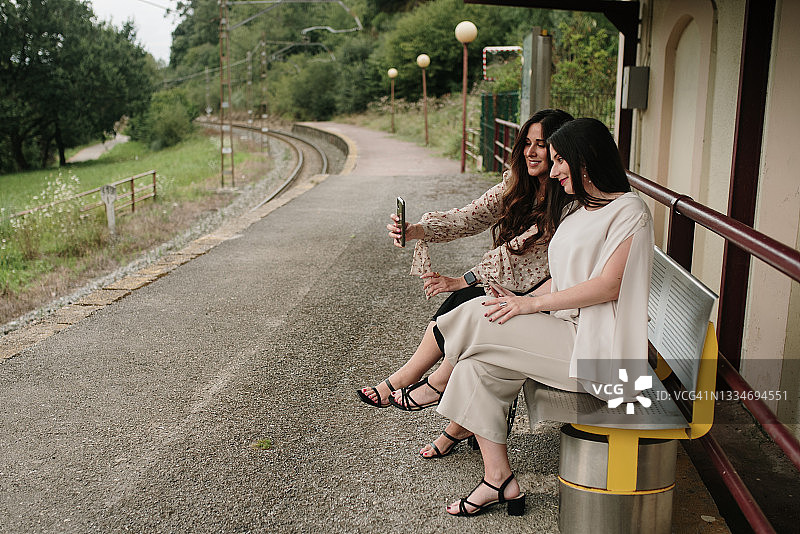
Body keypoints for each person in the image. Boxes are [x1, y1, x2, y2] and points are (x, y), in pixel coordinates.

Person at [419, 118, 653, 516]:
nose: (555, 169)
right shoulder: (580, 210)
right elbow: (563, 280)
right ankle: (500, 480)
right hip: (569, 333)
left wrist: (528, 306)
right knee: (481, 363)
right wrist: (519, 297)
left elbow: (608, 286)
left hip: (601, 352)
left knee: (477, 313)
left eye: (561, 160)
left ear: (585, 161)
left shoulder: (629, 211)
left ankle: (424, 384)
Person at [356, 111, 575, 442]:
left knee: (471, 306)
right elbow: (467, 218)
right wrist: (416, 229)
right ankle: (442, 409)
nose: (531, 152)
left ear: (562, 149)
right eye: (526, 143)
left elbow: (521, 260)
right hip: (513, 293)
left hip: (545, 300)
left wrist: (467, 280)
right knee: (462, 304)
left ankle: (415, 387)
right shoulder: (516, 187)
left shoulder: (569, 202)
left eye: (541, 145)